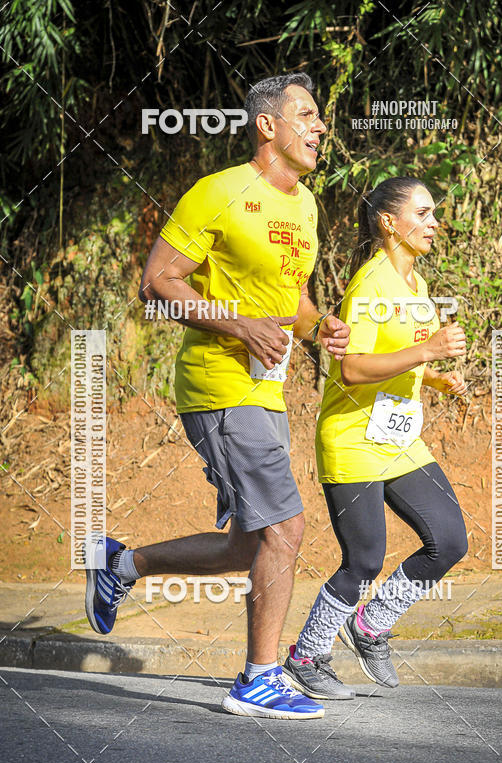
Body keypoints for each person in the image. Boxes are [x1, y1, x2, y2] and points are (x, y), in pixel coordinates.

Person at [84, 72, 350, 719]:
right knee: (285, 531)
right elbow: (158, 281)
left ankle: (121, 563)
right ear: (268, 126)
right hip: (218, 387)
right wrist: (237, 322)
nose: (320, 127)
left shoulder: (305, 207)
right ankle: (258, 678)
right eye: (307, 115)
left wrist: (320, 328)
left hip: (265, 391)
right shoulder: (219, 193)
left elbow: (290, 295)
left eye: (320, 118)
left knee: (249, 543)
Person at [282, 177, 468, 699]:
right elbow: (353, 369)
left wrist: (433, 377)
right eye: (424, 213)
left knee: (449, 541)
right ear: (390, 222)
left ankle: (370, 626)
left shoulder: (417, 286)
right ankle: (306, 655)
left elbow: (399, 362)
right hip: (354, 437)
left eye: (435, 213)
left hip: (400, 436)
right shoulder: (370, 284)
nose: (435, 223)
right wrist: (427, 354)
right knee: (364, 560)